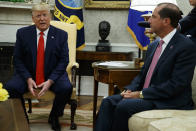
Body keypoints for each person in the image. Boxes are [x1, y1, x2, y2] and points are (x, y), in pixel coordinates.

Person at [95, 3, 196, 131]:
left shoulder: (185, 46)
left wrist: (141, 94)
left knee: (124, 106)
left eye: (153, 17)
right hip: (148, 95)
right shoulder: (154, 45)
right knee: (107, 102)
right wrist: (130, 90)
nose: (149, 20)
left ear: (166, 21)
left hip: (169, 100)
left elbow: (176, 84)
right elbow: (142, 75)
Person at [5, 3, 72, 131]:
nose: (42, 19)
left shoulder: (61, 35)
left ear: (50, 17)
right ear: (33, 19)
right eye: (38, 16)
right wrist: (28, 78)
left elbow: (64, 60)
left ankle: (54, 116)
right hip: (28, 73)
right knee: (10, 87)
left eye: (45, 15)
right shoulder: (22, 33)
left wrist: (51, 80)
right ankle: (22, 118)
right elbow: (18, 59)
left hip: (53, 74)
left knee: (66, 88)